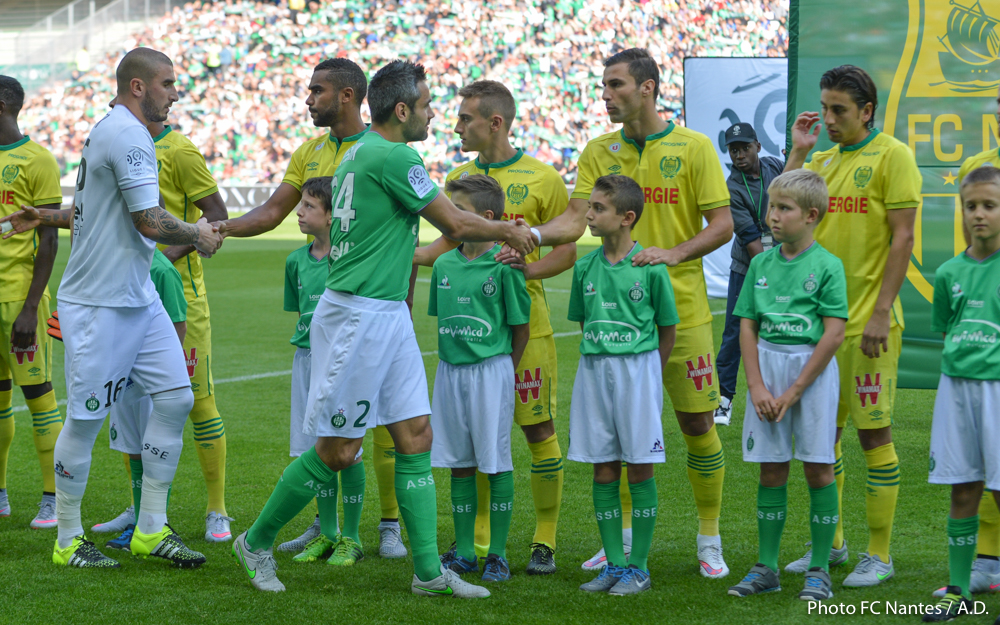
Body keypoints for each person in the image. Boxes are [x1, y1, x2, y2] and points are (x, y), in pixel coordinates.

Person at [230, 59, 535, 596]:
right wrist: (508, 229)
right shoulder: (396, 155)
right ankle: (254, 542)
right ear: (401, 110)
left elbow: (423, 237)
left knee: (416, 436)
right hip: (357, 317)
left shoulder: (359, 154)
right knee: (338, 451)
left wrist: (494, 230)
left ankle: (426, 574)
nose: (432, 114)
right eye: (425, 105)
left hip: (384, 313)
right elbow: (458, 223)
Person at [502, 48, 734, 577]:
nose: (605, 95)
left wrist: (672, 254)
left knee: (697, 422)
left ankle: (709, 536)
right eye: (603, 86)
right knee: (617, 435)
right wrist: (532, 236)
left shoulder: (693, 147)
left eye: (615, 85)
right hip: (616, 322)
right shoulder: (597, 150)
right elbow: (573, 219)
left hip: (684, 313)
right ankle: (621, 542)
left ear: (648, 87)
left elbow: (722, 224)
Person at [1, 47, 223, 568]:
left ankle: (150, 528)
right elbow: (148, 219)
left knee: (174, 400)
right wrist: (198, 232)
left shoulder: (117, 131)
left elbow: (100, 211)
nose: (175, 93)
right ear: (139, 86)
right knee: (83, 421)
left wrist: (48, 216)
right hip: (99, 306)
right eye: (167, 83)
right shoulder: (128, 134)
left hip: (137, 297)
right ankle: (69, 539)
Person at [218, 58, 407, 559]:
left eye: (316, 91)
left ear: (348, 96)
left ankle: (386, 523)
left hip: (378, 306)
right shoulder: (309, 152)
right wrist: (221, 229)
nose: (308, 99)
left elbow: (403, 234)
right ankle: (326, 527)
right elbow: (271, 212)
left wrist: (402, 300)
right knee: (333, 426)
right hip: (335, 312)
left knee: (390, 424)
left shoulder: (388, 148)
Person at [420, 80, 575, 573]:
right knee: (473, 441)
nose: (457, 125)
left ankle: (544, 541)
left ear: (495, 122)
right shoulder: (460, 178)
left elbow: (567, 249)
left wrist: (521, 270)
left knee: (536, 428)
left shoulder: (544, 177)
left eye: (465, 118)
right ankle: (479, 544)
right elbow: (449, 243)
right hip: (471, 334)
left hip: (524, 325)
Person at [784, 65, 920, 585]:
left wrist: (883, 309)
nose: (829, 118)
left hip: (869, 322)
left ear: (867, 110)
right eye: (825, 107)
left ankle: (879, 555)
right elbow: (782, 207)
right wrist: (798, 149)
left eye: (839, 109)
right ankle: (833, 544)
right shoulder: (820, 160)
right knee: (823, 438)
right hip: (820, 326)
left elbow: (903, 238)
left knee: (874, 434)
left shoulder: (893, 156)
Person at [90, 105, 233, 543]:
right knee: (130, 405)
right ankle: (142, 511)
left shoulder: (179, 150)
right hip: (124, 298)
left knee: (195, 401)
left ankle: (217, 511)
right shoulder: (116, 142)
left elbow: (218, 216)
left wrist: (161, 263)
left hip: (179, 299)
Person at [725, 169, 846, 602]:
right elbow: (748, 326)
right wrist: (756, 386)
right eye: (771, 207)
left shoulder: (828, 266)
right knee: (771, 469)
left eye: (783, 209)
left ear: (811, 215)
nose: (772, 216)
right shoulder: (760, 263)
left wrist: (793, 391)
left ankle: (818, 569)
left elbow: (833, 334)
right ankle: (767, 566)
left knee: (818, 467)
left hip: (810, 377)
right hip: (768, 373)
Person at [568, 175, 678, 595]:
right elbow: (583, 319)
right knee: (603, 466)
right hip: (595, 371)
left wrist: (649, 372)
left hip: (637, 371)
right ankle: (614, 563)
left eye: (598, 208)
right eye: (590, 206)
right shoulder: (585, 267)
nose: (589, 214)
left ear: (626, 218)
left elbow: (667, 327)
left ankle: (640, 566)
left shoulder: (649, 268)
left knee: (640, 466)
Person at [429, 174, 531, 583]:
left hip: (492, 371)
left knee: (496, 462)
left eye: (460, 211)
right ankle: (466, 551)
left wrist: (505, 371)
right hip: (450, 371)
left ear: (488, 218)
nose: (450, 217)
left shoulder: (505, 266)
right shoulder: (443, 263)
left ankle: (498, 555)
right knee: (459, 464)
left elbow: (519, 328)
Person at [922, 166, 1000, 622]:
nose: (978, 215)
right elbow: (948, 327)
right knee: (963, 488)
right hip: (957, 389)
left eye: (989, 205)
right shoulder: (949, 271)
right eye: (970, 206)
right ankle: (957, 587)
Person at [283, 176, 366, 567]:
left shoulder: (350, 258)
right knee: (317, 449)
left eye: (309, 206)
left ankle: (352, 537)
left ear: (333, 214)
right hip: (306, 361)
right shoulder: (295, 262)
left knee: (348, 449)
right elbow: (299, 315)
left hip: (343, 361)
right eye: (300, 205)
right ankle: (328, 534)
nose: (299, 212)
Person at [0, 75, 63, 530]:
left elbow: (48, 242)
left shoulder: (37, 160)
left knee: (38, 394)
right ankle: (1, 492)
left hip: (18, 299)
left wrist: (29, 307)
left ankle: (53, 497)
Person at [103, 248, 188, 551]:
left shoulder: (163, 270)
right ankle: (139, 523)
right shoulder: (118, 260)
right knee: (134, 451)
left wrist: (161, 377)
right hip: (122, 376)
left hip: (150, 383)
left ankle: (154, 524)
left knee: (154, 453)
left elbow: (178, 325)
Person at [714, 122, 785, 427]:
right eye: (733, 150)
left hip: (783, 263)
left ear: (757, 145)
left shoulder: (775, 165)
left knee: (781, 330)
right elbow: (752, 242)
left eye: (744, 147)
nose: (739, 154)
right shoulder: (732, 187)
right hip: (748, 268)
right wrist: (781, 271)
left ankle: (780, 393)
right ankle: (724, 400)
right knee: (734, 332)